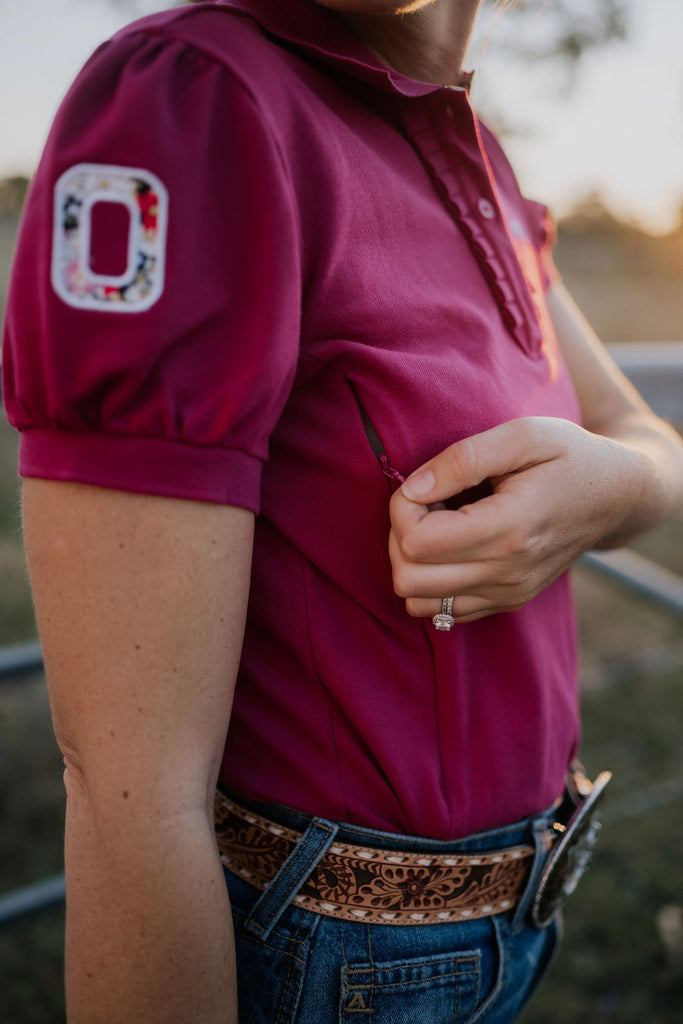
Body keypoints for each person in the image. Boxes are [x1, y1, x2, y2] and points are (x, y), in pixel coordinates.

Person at [3, 1, 683, 1021]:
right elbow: (131, 795)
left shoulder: (477, 161)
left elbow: (643, 436)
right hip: (329, 965)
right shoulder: (195, 98)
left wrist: (602, 491)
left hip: (523, 923)